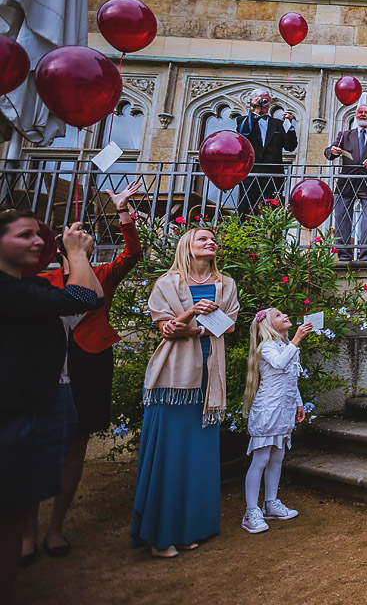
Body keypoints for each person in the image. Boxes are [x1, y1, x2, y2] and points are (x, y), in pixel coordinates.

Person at [23, 182, 142, 563]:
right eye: (77, 236)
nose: (86, 236)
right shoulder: (40, 282)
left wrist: (123, 211)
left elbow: (133, 253)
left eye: (88, 235)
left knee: (77, 446)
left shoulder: (104, 274)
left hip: (90, 362)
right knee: (34, 450)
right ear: (62, 248)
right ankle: (27, 533)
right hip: (48, 364)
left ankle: (55, 528)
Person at [1, 213, 102, 602]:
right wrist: (75, 253)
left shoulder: (26, 285)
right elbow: (80, 297)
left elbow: (91, 298)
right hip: (11, 410)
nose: (37, 241)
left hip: (32, 403)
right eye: (24, 234)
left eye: (40, 235)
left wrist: (80, 258)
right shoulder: (9, 289)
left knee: (17, 500)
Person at [132, 227, 240, 558]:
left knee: (198, 457)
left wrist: (190, 329)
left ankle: (190, 529)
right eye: (202, 239)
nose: (210, 242)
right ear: (187, 247)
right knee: (171, 456)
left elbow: (230, 325)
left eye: (212, 239)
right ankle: (160, 536)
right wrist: (192, 315)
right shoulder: (167, 283)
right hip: (173, 381)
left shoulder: (226, 284)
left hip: (209, 379)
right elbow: (167, 329)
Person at [241, 308, 312, 534]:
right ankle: (251, 511)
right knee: (261, 459)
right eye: (279, 315)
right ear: (269, 325)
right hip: (267, 411)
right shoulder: (268, 347)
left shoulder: (284, 345)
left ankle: (270, 503)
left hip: (283, 410)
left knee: (278, 457)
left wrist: (298, 403)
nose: (285, 316)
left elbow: (290, 377)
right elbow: (280, 364)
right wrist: (297, 338)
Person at [325, 103, 367, 260]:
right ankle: (344, 255)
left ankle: (366, 256)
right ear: (355, 115)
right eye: (360, 112)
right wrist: (332, 151)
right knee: (341, 219)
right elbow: (329, 152)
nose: (363, 115)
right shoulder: (344, 135)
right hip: (345, 183)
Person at [237, 88, 298, 214]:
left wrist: (289, 126)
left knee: (272, 212)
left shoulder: (278, 124)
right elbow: (242, 134)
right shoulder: (243, 120)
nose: (264, 103)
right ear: (251, 101)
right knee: (246, 210)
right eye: (260, 99)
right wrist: (255, 111)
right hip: (251, 174)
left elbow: (290, 146)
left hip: (273, 175)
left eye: (266, 100)